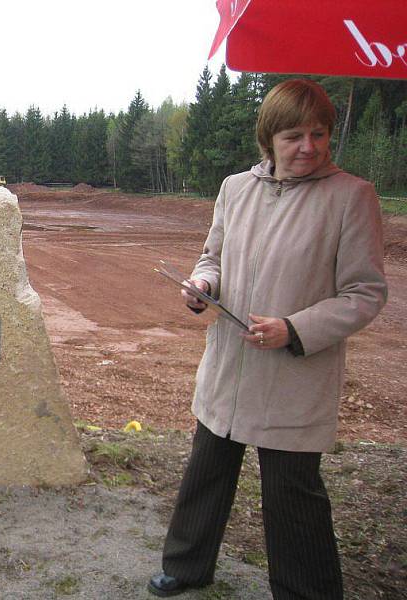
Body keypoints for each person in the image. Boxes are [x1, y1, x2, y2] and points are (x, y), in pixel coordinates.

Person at [147, 79, 388, 598]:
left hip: (294, 372)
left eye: (319, 134)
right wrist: (203, 285)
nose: (309, 147)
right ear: (269, 139)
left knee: (293, 494)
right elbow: (212, 255)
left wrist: (294, 328)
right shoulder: (236, 188)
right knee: (206, 472)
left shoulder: (352, 197)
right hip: (229, 366)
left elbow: (365, 293)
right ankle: (187, 566)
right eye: (294, 136)